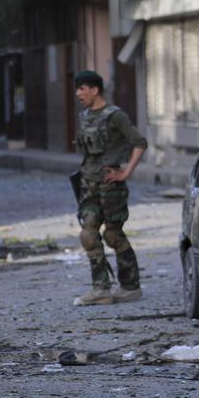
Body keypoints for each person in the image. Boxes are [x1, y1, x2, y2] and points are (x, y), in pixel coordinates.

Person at [71, 71, 148, 306]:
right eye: (77, 89)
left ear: (95, 90)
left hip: (111, 186)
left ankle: (130, 286)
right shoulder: (84, 116)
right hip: (88, 185)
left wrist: (126, 171)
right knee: (88, 234)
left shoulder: (116, 116)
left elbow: (139, 142)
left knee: (113, 235)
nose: (78, 94)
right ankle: (101, 289)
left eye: (82, 88)